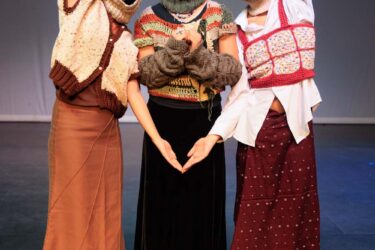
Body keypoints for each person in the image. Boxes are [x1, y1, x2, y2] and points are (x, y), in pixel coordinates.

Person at [43, 0, 182, 249]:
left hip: (106, 131)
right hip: (71, 124)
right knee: (71, 205)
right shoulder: (82, 6)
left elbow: (134, 94)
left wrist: (158, 139)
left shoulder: (129, 41)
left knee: (106, 208)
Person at [185, 0, 322, 249]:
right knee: (255, 220)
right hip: (259, 136)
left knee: (296, 215)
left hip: (297, 131)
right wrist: (211, 138)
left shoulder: (295, 6)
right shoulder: (238, 30)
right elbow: (240, 95)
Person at [133, 0, 242, 249]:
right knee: (161, 206)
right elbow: (147, 74)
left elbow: (232, 72)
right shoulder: (148, 18)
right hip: (162, 124)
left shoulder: (218, 13)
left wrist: (197, 52)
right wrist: (176, 49)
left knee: (202, 206)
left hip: (204, 123)